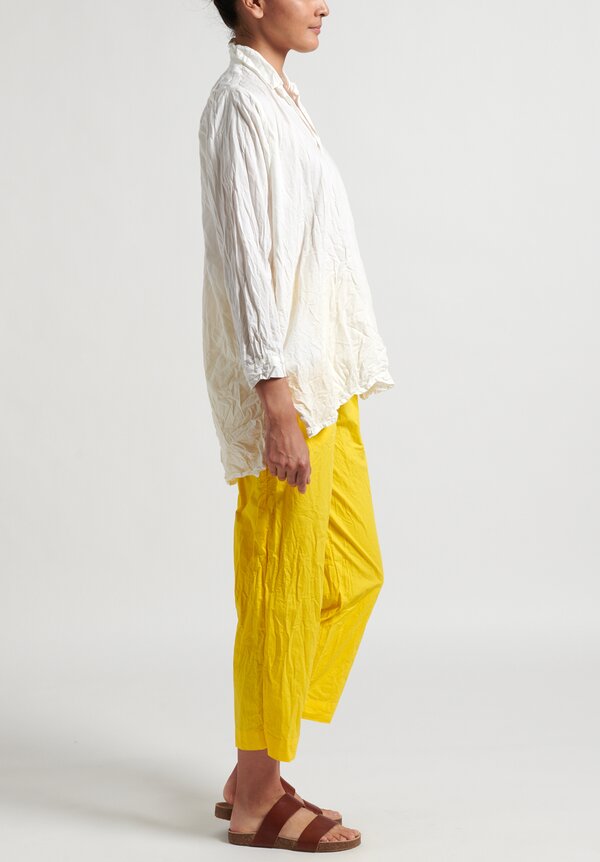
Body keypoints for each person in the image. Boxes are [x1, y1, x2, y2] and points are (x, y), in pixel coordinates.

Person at [198, 0, 395, 852]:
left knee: (352, 573)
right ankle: (257, 799)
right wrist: (273, 398)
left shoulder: (281, 99)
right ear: (251, 2)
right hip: (285, 386)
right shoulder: (239, 103)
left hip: (325, 375)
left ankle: (253, 767)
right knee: (280, 589)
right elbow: (245, 260)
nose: (323, 3)